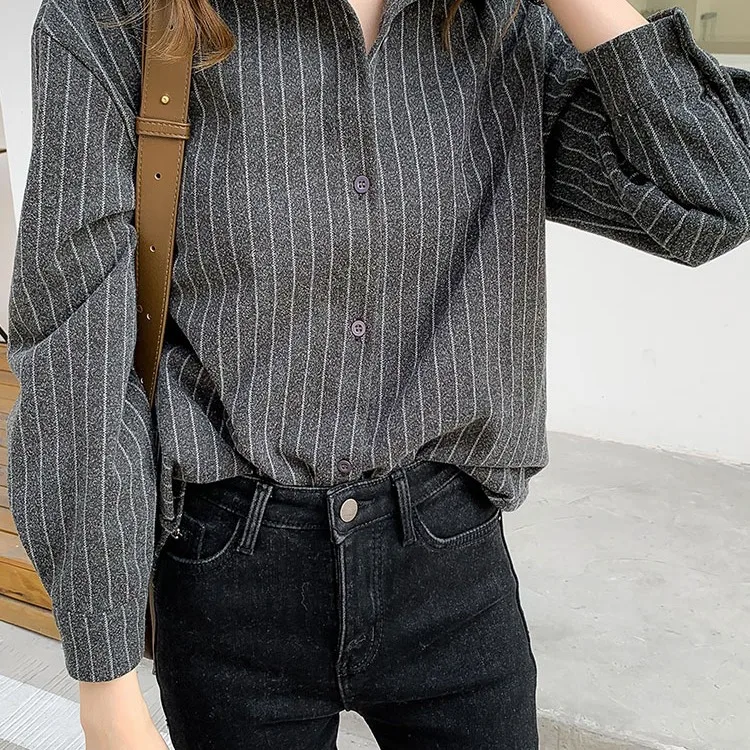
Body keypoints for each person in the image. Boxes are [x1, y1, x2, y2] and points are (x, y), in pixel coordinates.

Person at [7, 0, 749, 747]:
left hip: (452, 564)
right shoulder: (117, 18)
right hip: (228, 569)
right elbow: (78, 358)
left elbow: (714, 196)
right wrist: (105, 683)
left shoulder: (504, 24)